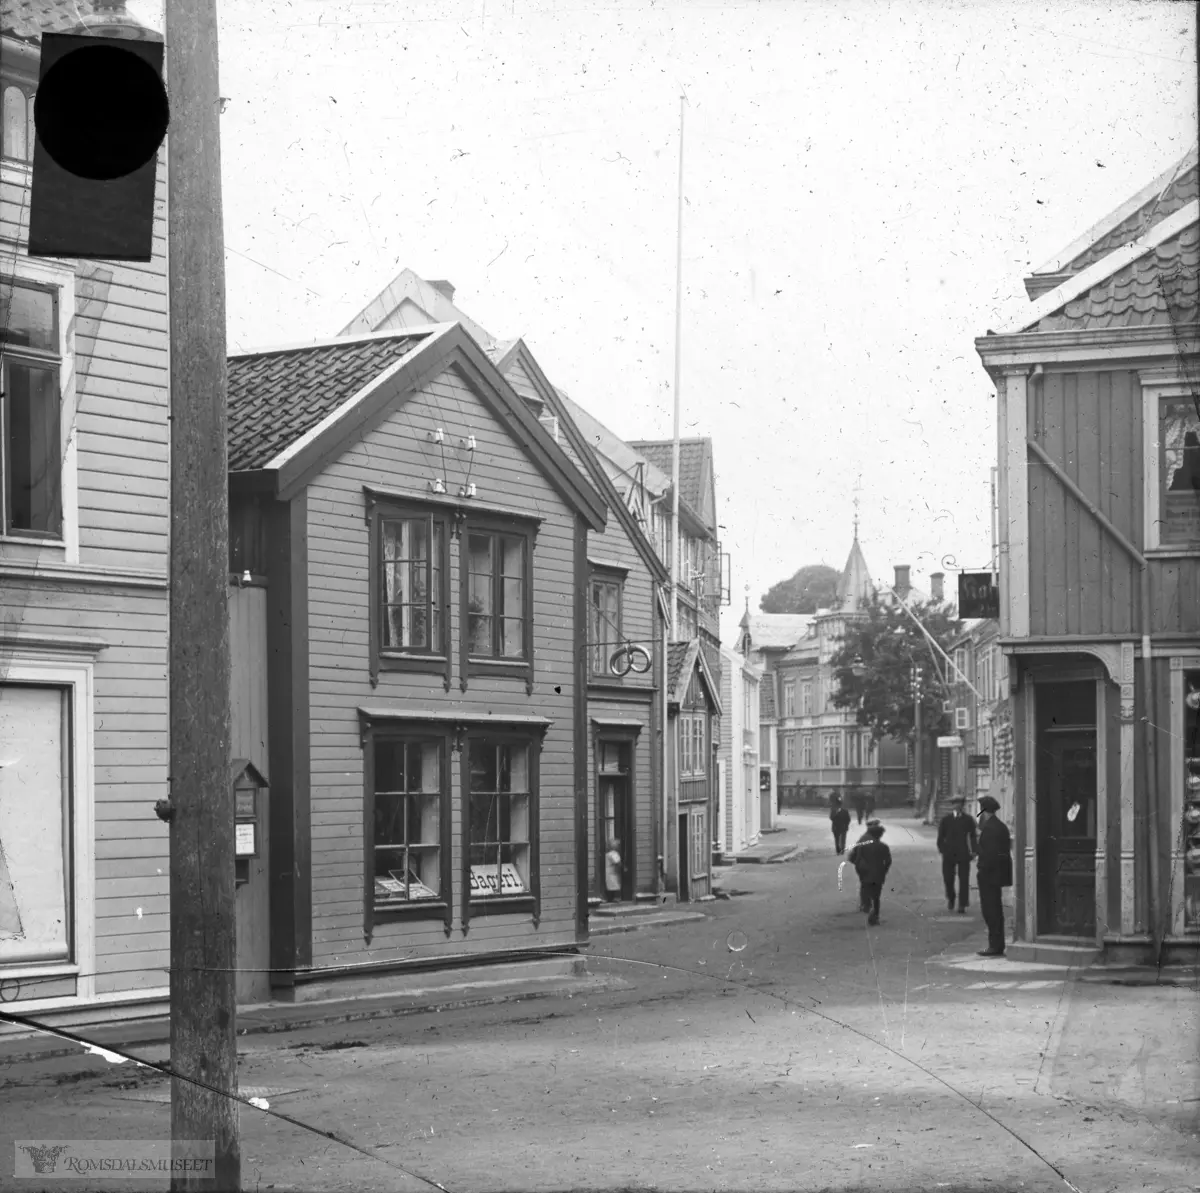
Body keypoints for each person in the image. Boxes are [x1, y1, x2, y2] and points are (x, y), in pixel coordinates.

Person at [975, 796, 1013, 956]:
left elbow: (989, 855)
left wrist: (980, 868)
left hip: (989, 875)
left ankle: (995, 945)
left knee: (990, 911)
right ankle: (997, 944)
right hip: (997, 875)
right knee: (995, 909)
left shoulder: (990, 829)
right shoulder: (1000, 826)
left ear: (984, 811)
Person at [937, 795, 978, 914]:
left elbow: (973, 836)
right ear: (952, 805)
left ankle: (962, 904)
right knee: (948, 878)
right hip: (949, 854)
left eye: (959, 803)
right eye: (955, 803)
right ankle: (951, 898)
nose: (957, 806)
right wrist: (942, 849)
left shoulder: (968, 820)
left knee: (964, 879)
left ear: (963, 805)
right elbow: (941, 837)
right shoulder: (946, 820)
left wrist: (974, 850)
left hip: (963, 853)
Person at [848, 822, 891, 926]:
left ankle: (866, 906)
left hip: (865, 872)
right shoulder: (883, 846)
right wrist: (883, 871)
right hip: (878, 874)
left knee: (865, 888)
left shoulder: (863, 844)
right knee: (876, 896)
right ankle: (874, 915)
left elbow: (855, 857)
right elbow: (888, 861)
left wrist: (860, 868)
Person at [604, 837, 622, 903]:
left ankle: (609, 899)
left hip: (608, 870)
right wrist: (623, 868)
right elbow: (617, 862)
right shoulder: (614, 853)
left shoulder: (607, 854)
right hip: (612, 871)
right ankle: (615, 898)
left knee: (610, 884)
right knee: (614, 884)